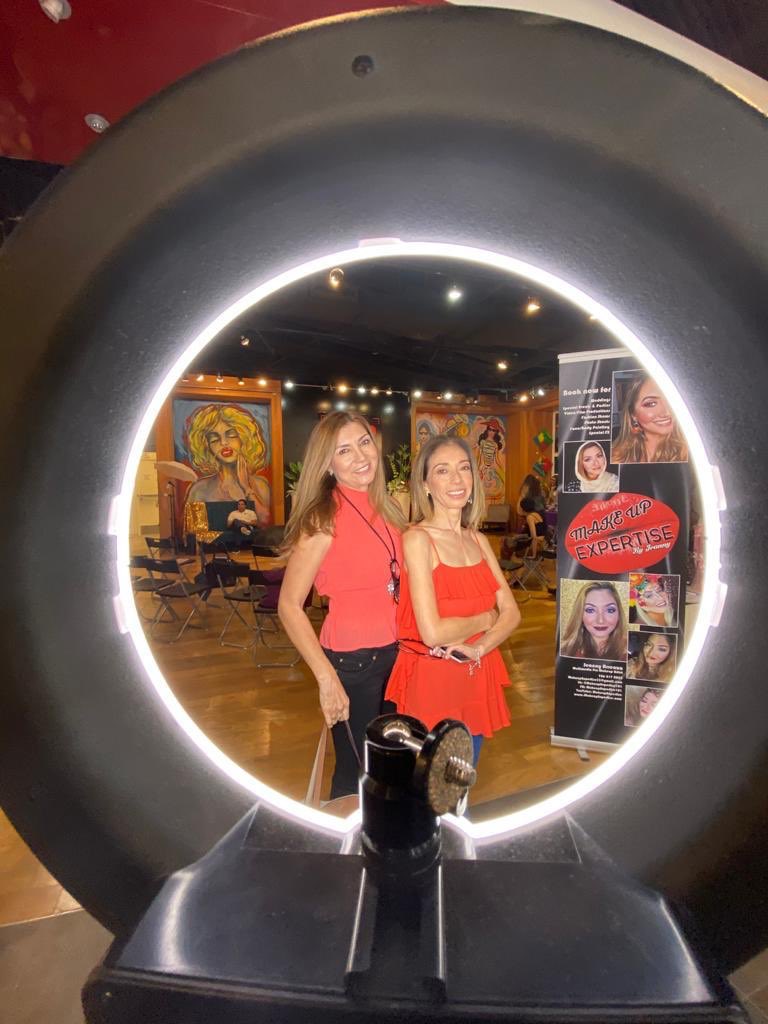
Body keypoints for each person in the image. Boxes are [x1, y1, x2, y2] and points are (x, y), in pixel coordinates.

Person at [278, 412, 407, 799]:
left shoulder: (391, 509)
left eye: (364, 443)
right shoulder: (322, 520)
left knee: (389, 767)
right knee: (355, 774)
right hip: (353, 663)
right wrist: (326, 678)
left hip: (399, 655)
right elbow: (289, 605)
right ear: (328, 464)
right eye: (344, 450)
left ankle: (383, 833)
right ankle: (345, 837)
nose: (360, 456)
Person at [385, 436, 521, 766]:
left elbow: (512, 613)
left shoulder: (478, 539)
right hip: (435, 683)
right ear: (425, 485)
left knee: (463, 778)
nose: (457, 479)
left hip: (477, 672)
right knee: (432, 784)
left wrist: (480, 647)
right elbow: (432, 632)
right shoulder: (418, 539)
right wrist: (487, 619)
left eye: (463, 468)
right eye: (443, 471)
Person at [184, 403, 272, 519]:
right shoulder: (199, 490)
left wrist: (246, 488)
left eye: (231, 435)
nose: (224, 442)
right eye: (214, 439)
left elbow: (265, 521)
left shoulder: (261, 485)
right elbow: (193, 528)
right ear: (207, 447)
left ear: (244, 438)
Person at [611, 374, 688, 463]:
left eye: (671, 401)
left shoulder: (689, 452)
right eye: (651, 404)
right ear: (633, 415)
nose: (667, 412)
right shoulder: (615, 455)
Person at [560, 581, 627, 660]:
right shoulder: (565, 651)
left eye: (610, 610)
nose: (600, 620)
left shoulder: (629, 652)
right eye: (590, 610)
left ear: (619, 614)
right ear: (579, 614)